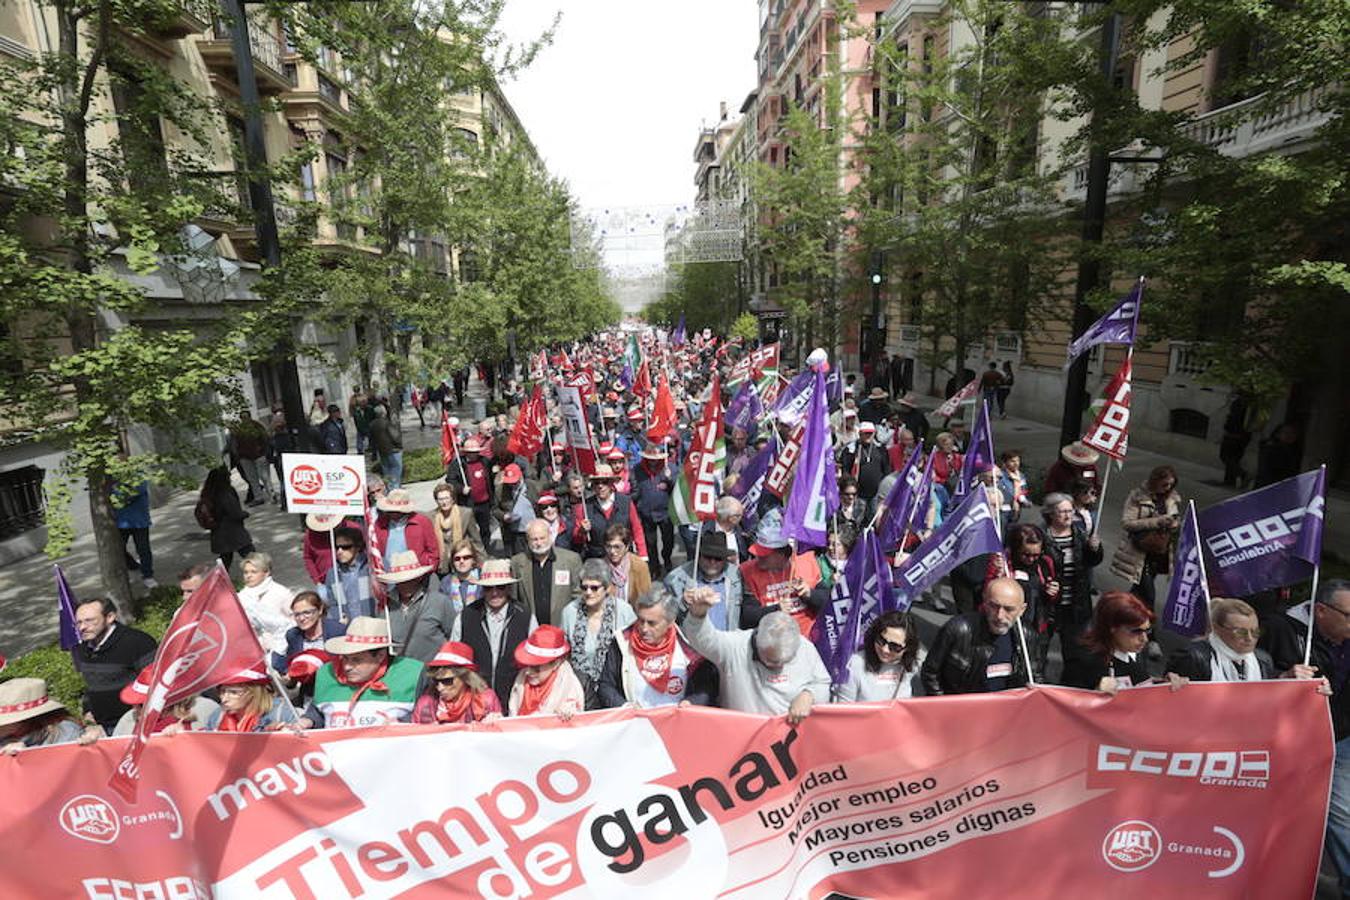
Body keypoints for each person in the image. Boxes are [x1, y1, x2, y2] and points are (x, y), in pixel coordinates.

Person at [1261, 580, 1350, 894]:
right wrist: (1284, 678)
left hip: (1341, 735)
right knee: (1334, 811)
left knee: (1336, 809)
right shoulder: (1279, 629)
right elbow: (1250, 678)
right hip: (1292, 739)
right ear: (1322, 611)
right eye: (1348, 615)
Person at [682, 597, 830, 724]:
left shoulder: (805, 647)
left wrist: (809, 695)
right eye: (771, 660)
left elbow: (822, 682)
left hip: (790, 739)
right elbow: (702, 639)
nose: (777, 665)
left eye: (785, 661)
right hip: (744, 737)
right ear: (757, 642)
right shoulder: (736, 646)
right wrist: (698, 615)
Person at [598, 588, 718, 709]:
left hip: (676, 722)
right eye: (640, 620)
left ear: (670, 622)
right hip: (635, 721)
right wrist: (625, 706)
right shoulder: (621, 642)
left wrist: (691, 702)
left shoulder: (688, 645)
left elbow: (706, 687)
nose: (644, 629)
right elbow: (606, 685)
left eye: (652, 623)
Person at [297, 616, 427, 728]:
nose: (347, 666)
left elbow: (431, 713)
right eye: (345, 658)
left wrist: (404, 722)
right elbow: (318, 711)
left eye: (356, 660)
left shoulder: (414, 674)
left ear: (381, 655)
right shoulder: (327, 673)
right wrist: (309, 721)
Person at [920, 578, 1031, 695]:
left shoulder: (1026, 636)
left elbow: (1034, 678)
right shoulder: (958, 630)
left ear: (1021, 610)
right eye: (994, 606)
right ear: (985, 601)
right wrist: (946, 705)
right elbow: (930, 673)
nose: (1000, 616)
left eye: (1009, 609)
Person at [450, 559, 536, 709]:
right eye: (489, 588)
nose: (495, 593)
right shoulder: (466, 616)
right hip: (475, 701)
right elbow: (454, 660)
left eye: (500, 587)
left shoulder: (525, 616)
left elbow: (535, 662)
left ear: (509, 588)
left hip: (515, 700)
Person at [1061, 592, 1186, 694]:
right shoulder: (1084, 662)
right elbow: (1064, 707)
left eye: (1147, 630)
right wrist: (1095, 693)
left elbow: (1138, 683)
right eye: (1136, 631)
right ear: (1112, 628)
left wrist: (1162, 684)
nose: (1144, 639)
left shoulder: (1135, 650)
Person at [71, 597, 157, 733]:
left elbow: (154, 683)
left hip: (135, 723)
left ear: (110, 617)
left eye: (89, 621)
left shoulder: (137, 642)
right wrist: (88, 710)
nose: (82, 627)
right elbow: (90, 684)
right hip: (103, 725)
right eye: (79, 622)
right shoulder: (83, 647)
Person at [560, 559, 637, 709]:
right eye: (584, 587)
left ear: (607, 588)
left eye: (594, 588)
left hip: (616, 690)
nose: (588, 593)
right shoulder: (570, 612)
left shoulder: (623, 611)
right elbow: (564, 654)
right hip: (580, 691)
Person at [1041, 492, 1104, 672]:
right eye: (1062, 512)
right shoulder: (1040, 536)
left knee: (1076, 651)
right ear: (1050, 514)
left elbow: (1092, 562)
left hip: (1076, 604)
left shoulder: (1080, 535)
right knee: (1040, 649)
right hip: (1049, 606)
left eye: (1071, 511)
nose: (1068, 515)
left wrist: (1095, 548)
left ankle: (1072, 684)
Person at [739, 508, 823, 634]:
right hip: (772, 641)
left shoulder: (806, 560)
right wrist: (776, 609)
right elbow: (747, 616)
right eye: (758, 553)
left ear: (783, 554)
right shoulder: (748, 570)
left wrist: (809, 594)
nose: (758, 557)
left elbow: (828, 600)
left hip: (807, 639)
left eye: (764, 555)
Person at [1109, 465, 1182, 606]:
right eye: (1165, 484)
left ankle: (1119, 610)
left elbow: (1175, 517)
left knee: (1138, 591)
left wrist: (1174, 524)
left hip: (1158, 550)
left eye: (1171, 485)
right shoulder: (1137, 496)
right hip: (1139, 550)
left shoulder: (1171, 498)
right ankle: (1148, 624)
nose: (1167, 488)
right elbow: (1127, 523)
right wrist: (1156, 522)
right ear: (1155, 481)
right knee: (1148, 595)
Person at [1166, 598, 1279, 682]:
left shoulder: (1263, 660)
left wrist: (1284, 678)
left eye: (1255, 632)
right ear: (1216, 628)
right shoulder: (1192, 657)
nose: (1249, 638)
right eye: (1240, 632)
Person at [378, 550, 457, 664]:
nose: (406, 584)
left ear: (419, 578)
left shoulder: (439, 602)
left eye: (410, 579)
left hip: (433, 674)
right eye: (402, 580)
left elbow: (454, 638)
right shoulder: (385, 606)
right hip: (401, 673)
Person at [835, 610, 926, 702]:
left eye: (894, 646)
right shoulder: (855, 664)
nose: (885, 649)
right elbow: (844, 709)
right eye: (881, 640)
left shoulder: (910, 666)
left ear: (907, 648)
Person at [664, 531, 746, 630]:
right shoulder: (675, 580)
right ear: (698, 556)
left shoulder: (737, 576)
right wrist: (682, 603)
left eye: (718, 558)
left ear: (725, 559)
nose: (712, 562)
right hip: (692, 642)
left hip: (726, 642)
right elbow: (665, 619)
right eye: (707, 557)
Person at [511, 518, 583, 627]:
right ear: (527, 539)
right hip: (531, 630)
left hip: (562, 628)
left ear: (550, 535)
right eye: (534, 539)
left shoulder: (571, 560)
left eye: (542, 538)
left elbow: (578, 595)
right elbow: (514, 599)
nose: (539, 543)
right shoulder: (517, 562)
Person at [111, 665, 218, 736]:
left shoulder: (204, 709)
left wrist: (187, 737)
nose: (135, 708)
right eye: (134, 704)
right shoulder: (130, 719)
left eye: (141, 704)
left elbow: (222, 748)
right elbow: (114, 755)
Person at [411, 641, 503, 724]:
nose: (440, 687)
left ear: (465, 677)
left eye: (447, 681)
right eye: (436, 681)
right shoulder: (425, 704)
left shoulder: (486, 700)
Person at [508, 625, 586, 718]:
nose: (528, 672)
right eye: (527, 665)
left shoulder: (572, 688)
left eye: (536, 667)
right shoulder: (520, 680)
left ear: (556, 664)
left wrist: (570, 716)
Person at [0, 679, 96, 753]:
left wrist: (28, 756)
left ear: (25, 720)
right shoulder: (6, 737)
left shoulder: (64, 732)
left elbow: (68, 769)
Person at [578, 464, 646, 561]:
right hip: (598, 559)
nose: (600, 486)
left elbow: (637, 529)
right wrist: (582, 531)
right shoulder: (586, 506)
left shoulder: (625, 502)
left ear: (611, 483)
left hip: (623, 557)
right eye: (596, 482)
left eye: (604, 482)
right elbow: (577, 538)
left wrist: (642, 555)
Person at [239, 552, 296, 659]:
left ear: (266, 573)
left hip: (282, 646)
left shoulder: (281, 592)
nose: (248, 576)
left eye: (253, 572)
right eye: (246, 572)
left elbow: (295, 620)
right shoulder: (241, 596)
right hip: (254, 649)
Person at [273, 591, 345, 675]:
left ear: (320, 610)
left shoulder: (337, 631)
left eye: (307, 613)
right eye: (297, 615)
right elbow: (292, 666)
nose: (301, 618)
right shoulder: (293, 635)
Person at [202, 668, 296, 732]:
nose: (224, 699)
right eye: (222, 691)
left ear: (254, 693)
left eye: (233, 692)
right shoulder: (218, 716)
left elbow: (302, 748)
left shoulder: (281, 713)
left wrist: (283, 737)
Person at [632, 443, 676, 577]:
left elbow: (678, 488)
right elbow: (634, 488)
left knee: (668, 540)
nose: (653, 460)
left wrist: (669, 480)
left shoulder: (670, 467)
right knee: (650, 543)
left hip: (666, 512)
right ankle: (654, 566)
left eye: (655, 457)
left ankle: (667, 559)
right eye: (650, 457)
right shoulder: (637, 469)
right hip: (647, 512)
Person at [198, 466, 254, 571]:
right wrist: (245, 514)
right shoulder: (225, 492)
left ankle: (218, 581)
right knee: (251, 556)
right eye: (228, 476)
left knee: (225, 559)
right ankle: (262, 577)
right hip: (233, 532)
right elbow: (234, 512)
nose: (231, 478)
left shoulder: (208, 492)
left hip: (219, 533)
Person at [373, 488, 440, 571]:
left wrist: (429, 566)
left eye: (396, 511)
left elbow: (433, 549)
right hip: (388, 572)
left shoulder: (422, 522)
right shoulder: (380, 522)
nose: (393, 513)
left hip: (417, 572)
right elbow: (375, 547)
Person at [446, 435, 495, 544]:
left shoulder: (485, 461)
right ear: (465, 452)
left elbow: (491, 478)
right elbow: (450, 480)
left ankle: (486, 548)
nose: (474, 454)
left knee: (485, 529)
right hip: (468, 503)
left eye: (476, 451)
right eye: (471, 452)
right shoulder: (458, 465)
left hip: (485, 502)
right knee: (469, 529)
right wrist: (461, 489)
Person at [320, 526, 374, 624]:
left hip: (373, 625)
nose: (339, 551)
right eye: (337, 547)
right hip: (348, 628)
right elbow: (333, 605)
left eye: (346, 547)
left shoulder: (373, 567)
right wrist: (338, 619)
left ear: (358, 547)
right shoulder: (332, 574)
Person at [113, 479, 156, 589]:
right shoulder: (111, 474)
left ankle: (148, 575)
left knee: (143, 549)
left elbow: (135, 492)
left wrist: (116, 495)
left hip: (139, 520)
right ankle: (133, 566)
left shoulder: (136, 472)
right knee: (118, 549)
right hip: (121, 520)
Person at [432, 481, 484, 564]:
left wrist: (483, 563)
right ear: (436, 501)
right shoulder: (432, 517)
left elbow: (476, 540)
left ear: (452, 499)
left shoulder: (465, 513)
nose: (444, 502)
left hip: (462, 560)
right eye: (440, 499)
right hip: (443, 563)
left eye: (446, 498)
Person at [838, 421, 891, 503]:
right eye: (866, 433)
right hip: (858, 494)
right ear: (860, 434)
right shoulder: (851, 449)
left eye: (870, 433)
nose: (868, 436)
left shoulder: (880, 449)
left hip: (876, 494)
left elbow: (886, 469)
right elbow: (845, 470)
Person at [602, 522, 652, 608]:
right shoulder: (601, 567)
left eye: (617, 547)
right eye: (608, 547)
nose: (612, 551)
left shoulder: (639, 566)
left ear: (627, 546)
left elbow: (646, 597)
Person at [493, 463, 533, 557]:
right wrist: (504, 516)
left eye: (514, 482)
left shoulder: (532, 486)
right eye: (509, 483)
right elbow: (494, 509)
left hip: (531, 528)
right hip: (513, 531)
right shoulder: (500, 490)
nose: (512, 485)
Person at [302, 512, 342, 589]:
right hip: (324, 582)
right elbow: (308, 557)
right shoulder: (310, 535)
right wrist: (317, 581)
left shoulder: (352, 527)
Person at [368, 402, 404, 489]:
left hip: (382, 451)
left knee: (387, 473)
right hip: (393, 450)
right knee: (395, 472)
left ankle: (389, 489)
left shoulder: (372, 425)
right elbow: (394, 436)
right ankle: (395, 490)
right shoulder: (387, 423)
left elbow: (372, 441)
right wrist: (400, 445)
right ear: (384, 413)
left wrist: (374, 453)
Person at [995, 451, 1029, 530]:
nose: (1016, 463)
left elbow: (1023, 490)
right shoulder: (999, 476)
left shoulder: (1020, 476)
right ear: (1005, 462)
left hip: (1016, 510)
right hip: (1003, 510)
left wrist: (1023, 500)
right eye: (1012, 461)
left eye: (1018, 461)